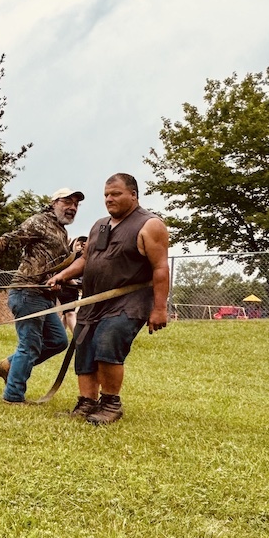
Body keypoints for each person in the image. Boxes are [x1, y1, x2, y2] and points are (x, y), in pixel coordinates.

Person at [47, 174, 169, 425]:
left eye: (116, 194)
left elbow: (160, 268)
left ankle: (111, 404)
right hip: (93, 301)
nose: (109, 199)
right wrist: (61, 275)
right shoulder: (100, 225)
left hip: (128, 301)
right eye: (106, 195)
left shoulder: (150, 225)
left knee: (107, 343)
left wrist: (159, 308)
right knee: (84, 347)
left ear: (133, 195)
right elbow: (85, 260)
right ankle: (87, 402)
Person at [0, 187, 83, 404]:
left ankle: (9, 365)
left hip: (44, 295)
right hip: (27, 292)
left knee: (58, 341)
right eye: (67, 201)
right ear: (54, 202)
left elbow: (54, 265)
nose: (72, 207)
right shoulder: (39, 222)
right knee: (29, 346)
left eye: (76, 204)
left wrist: (60, 280)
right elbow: (9, 239)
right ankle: (13, 396)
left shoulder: (61, 231)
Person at [59, 236, 87, 333]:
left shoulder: (85, 259)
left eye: (82, 245)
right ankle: (77, 338)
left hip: (75, 289)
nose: (80, 247)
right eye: (77, 244)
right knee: (70, 313)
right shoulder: (70, 258)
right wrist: (72, 281)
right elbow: (63, 272)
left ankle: (59, 337)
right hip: (66, 289)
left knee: (65, 314)